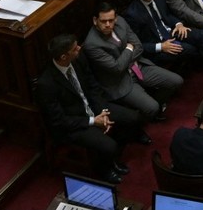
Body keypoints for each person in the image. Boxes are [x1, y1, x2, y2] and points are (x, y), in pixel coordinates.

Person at [35, 34, 143, 184]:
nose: (79, 48)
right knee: (109, 145)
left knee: (132, 118)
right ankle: (103, 169)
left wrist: (102, 112)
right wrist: (93, 121)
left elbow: (93, 86)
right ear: (64, 56)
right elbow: (59, 121)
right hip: (74, 125)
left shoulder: (78, 59)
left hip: (94, 108)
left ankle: (113, 158)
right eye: (75, 48)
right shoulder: (46, 84)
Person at [82, 2, 183, 121]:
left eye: (111, 20)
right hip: (120, 82)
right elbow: (117, 68)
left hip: (138, 66)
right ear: (95, 20)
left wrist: (124, 58)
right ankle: (148, 112)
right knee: (153, 108)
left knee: (177, 81)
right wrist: (129, 48)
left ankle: (150, 102)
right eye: (103, 21)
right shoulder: (92, 44)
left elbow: (139, 46)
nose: (108, 24)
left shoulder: (120, 21)